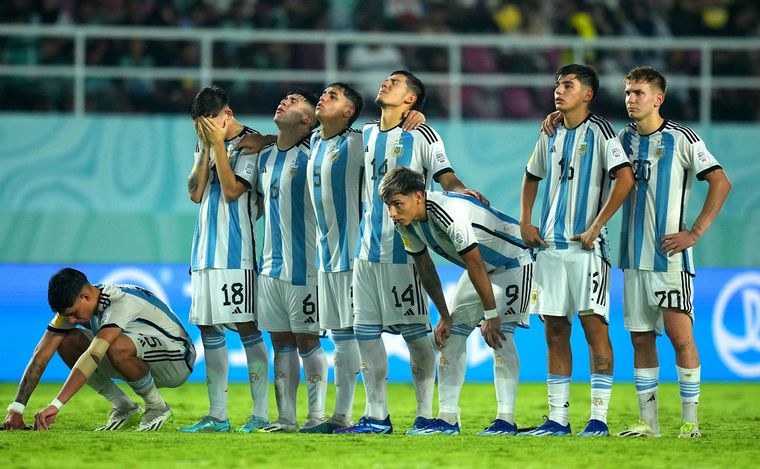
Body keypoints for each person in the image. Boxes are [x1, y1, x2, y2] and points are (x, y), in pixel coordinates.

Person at [334, 70, 486, 435]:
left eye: (396, 82)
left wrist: (465, 193)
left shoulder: (422, 133)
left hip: (407, 251)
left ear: (411, 99)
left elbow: (445, 176)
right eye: (386, 79)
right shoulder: (364, 135)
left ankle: (424, 413)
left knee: (415, 334)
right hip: (366, 254)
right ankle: (377, 416)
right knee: (365, 333)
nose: (385, 82)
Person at [614, 66, 731, 438]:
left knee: (681, 337)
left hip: (670, 259)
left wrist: (695, 231)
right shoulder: (621, 140)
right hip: (633, 258)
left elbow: (720, 181)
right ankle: (648, 424)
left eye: (639, 93)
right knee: (641, 337)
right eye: (628, 93)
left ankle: (689, 423)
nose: (631, 99)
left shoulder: (682, 138)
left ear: (658, 99)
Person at [519, 64, 634, 437]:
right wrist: (526, 221)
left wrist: (597, 226)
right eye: (557, 84)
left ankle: (598, 419)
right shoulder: (550, 131)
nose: (558, 90)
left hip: (587, 251)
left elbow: (625, 178)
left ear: (587, 94)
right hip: (550, 248)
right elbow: (531, 175)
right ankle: (558, 420)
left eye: (568, 85)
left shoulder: (600, 131)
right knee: (554, 330)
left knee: (594, 329)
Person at [378, 167, 534, 436]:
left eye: (397, 204)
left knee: (500, 335)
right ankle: (448, 419)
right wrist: (445, 316)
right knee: (451, 335)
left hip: (513, 262)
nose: (392, 212)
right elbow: (425, 268)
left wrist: (491, 314)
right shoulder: (405, 222)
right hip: (482, 269)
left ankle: (505, 421)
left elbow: (473, 262)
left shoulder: (449, 212)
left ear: (418, 197)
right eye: (389, 206)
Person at [179, 85, 269, 433]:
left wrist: (218, 145)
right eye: (199, 127)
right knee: (208, 328)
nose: (203, 132)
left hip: (237, 252)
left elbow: (232, 192)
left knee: (248, 328)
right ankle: (218, 415)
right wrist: (205, 149)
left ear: (227, 115)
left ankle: (260, 414)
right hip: (203, 252)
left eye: (208, 125)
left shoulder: (250, 143)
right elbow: (196, 193)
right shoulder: (205, 142)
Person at [4, 268, 194, 432]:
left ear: (86, 296)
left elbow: (94, 354)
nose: (71, 320)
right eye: (66, 316)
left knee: (112, 345)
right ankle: (124, 407)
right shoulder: (75, 307)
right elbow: (40, 355)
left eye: (73, 314)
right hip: (141, 355)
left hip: (177, 358)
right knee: (66, 341)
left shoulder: (119, 302)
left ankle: (157, 407)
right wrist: (17, 408)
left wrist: (56, 405)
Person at [255, 89, 326, 433]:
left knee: (307, 341)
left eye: (295, 101)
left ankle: (316, 417)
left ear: (308, 120)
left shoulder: (316, 153)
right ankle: (286, 419)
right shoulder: (265, 157)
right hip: (270, 268)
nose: (284, 100)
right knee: (280, 342)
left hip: (306, 268)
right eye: (284, 97)